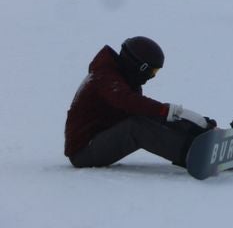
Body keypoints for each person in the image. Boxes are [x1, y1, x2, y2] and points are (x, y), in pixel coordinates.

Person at [65, 37, 214, 169]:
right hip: (84, 152)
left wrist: (191, 124)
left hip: (102, 137)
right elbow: (127, 101)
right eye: (152, 71)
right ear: (139, 66)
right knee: (136, 127)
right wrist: (166, 111)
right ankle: (193, 154)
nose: (152, 77)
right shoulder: (104, 77)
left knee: (151, 113)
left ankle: (198, 137)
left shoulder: (124, 78)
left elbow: (142, 109)